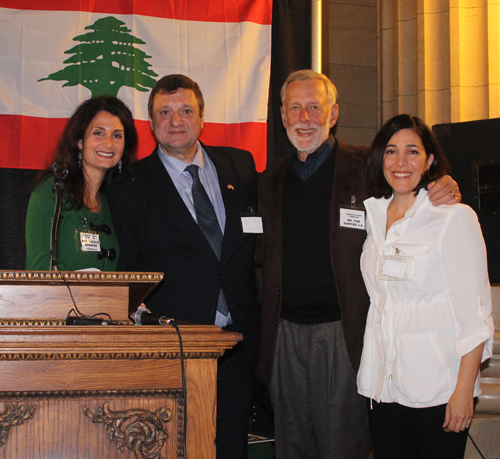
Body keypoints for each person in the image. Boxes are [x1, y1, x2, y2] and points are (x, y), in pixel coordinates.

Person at [255, 70, 462, 459]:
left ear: (333, 113)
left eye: (314, 107)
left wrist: (444, 182)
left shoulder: (368, 167)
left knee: (343, 448)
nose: (304, 117)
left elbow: (412, 188)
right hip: (283, 337)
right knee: (291, 449)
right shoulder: (269, 180)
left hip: (345, 335)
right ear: (282, 116)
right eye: (295, 108)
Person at [107, 74, 260, 459]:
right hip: (172, 351)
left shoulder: (241, 167)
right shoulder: (130, 183)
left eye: (186, 110)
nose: (176, 121)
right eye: (165, 112)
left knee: (230, 448)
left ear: (202, 117)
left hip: (237, 350)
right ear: (151, 121)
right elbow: (126, 269)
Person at [357, 114, 494, 459]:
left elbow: (474, 313)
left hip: (437, 387)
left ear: (429, 160)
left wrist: (464, 389)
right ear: (380, 159)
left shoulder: (453, 217)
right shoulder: (373, 216)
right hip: (382, 386)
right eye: (391, 151)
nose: (401, 162)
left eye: (412, 152)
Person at [25, 96, 137, 271]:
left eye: (117, 136)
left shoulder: (114, 200)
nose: (108, 143)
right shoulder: (53, 190)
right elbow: (40, 265)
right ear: (79, 140)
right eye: (98, 133)